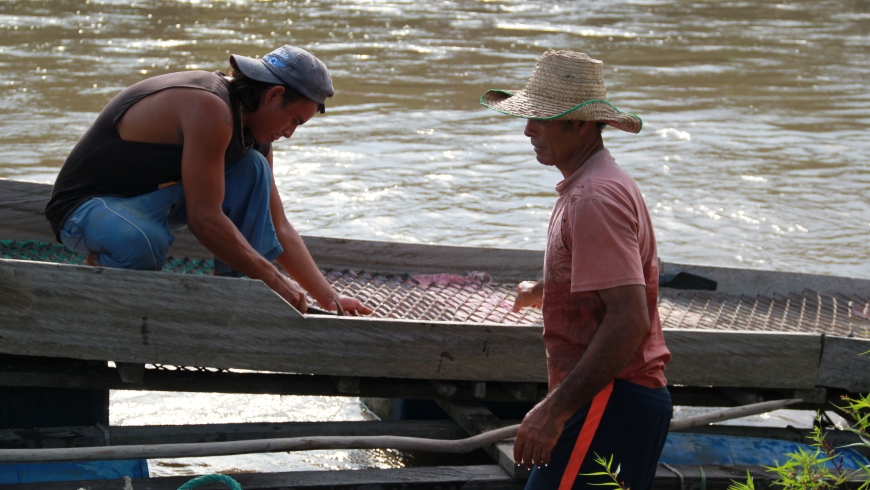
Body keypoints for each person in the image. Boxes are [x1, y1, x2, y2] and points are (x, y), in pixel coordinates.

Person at [44, 45, 372, 316]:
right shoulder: (211, 106)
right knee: (143, 242)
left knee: (253, 169)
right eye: (294, 121)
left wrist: (329, 299)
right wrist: (274, 280)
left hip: (151, 202)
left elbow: (278, 224)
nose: (289, 133)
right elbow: (204, 219)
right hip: (87, 208)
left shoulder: (256, 134)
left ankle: (231, 292)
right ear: (273, 95)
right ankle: (98, 267)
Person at [481, 51, 672, 489]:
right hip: (610, 400)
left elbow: (628, 320)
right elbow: (608, 282)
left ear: (581, 124)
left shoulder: (593, 198)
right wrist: (547, 289)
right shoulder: (595, 182)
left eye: (543, 118)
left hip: (610, 399)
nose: (529, 129)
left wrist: (553, 410)